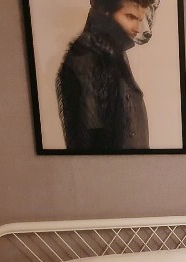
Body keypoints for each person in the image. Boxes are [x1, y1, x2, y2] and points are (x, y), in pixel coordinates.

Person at [56, 0, 155, 151]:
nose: (137, 28)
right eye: (130, 17)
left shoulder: (111, 53)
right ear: (105, 12)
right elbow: (90, 139)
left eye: (140, 20)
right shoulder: (87, 57)